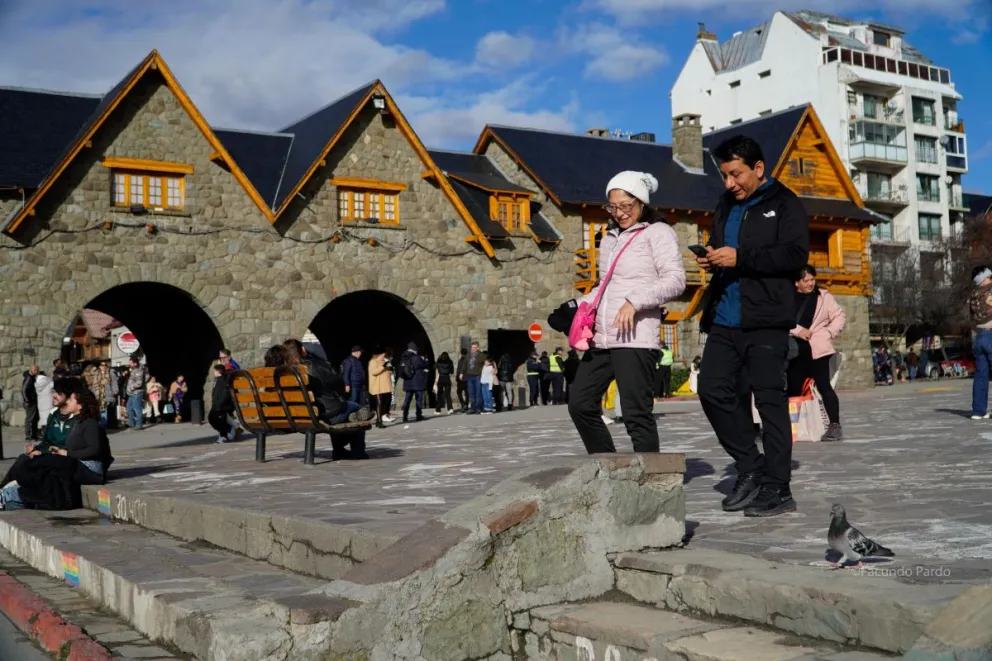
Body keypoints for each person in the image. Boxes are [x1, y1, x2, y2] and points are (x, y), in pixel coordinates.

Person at [695, 135, 809, 518]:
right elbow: (723, 246)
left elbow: (795, 255)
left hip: (766, 320)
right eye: (725, 176)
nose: (730, 184)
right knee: (711, 390)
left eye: (736, 174)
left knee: (769, 401)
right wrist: (713, 257)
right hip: (725, 318)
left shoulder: (785, 203)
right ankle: (750, 465)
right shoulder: (725, 204)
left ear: (758, 169)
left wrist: (741, 258)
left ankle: (778, 486)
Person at [567, 170, 686, 454]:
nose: (619, 213)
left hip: (635, 337)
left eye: (626, 206)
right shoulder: (609, 237)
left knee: (636, 414)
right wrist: (580, 305)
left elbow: (676, 280)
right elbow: (607, 284)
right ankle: (607, 467)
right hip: (603, 337)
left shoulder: (659, 233)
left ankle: (650, 484)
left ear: (641, 202)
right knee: (580, 404)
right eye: (613, 206)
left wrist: (635, 301)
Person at [1, 380, 113, 511]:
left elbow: (95, 449)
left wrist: (66, 454)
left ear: (80, 406)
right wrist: (57, 451)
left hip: (90, 469)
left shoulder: (90, 424)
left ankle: (14, 487)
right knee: (40, 466)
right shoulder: (77, 422)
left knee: (45, 463)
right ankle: (10, 490)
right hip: (76, 463)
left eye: (71, 400)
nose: (68, 402)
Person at [787, 265, 846, 441]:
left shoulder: (823, 296)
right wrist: (798, 331)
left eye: (812, 279)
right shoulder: (787, 298)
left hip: (818, 349)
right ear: (796, 282)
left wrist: (829, 332)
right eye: (806, 280)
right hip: (794, 350)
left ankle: (834, 425)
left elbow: (839, 316)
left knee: (824, 386)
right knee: (793, 388)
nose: (810, 283)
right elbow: (780, 319)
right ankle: (793, 426)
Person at [969, 265, 992, 420]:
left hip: (979, 337)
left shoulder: (973, 295)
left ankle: (978, 411)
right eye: (990, 277)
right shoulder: (990, 291)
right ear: (984, 280)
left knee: (981, 375)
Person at [208, 364, 238, 443]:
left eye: (215, 370)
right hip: (216, 404)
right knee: (211, 418)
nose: (214, 372)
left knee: (219, 419)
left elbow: (225, 394)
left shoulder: (223, 380)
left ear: (218, 371)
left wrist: (220, 404)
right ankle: (228, 429)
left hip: (222, 405)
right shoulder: (217, 379)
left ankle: (223, 436)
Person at [400, 343, 429, 422]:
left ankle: (404, 416)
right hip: (417, 382)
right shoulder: (417, 358)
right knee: (419, 399)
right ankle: (418, 415)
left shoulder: (404, 357)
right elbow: (425, 365)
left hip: (408, 382)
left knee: (407, 399)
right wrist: (425, 360)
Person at [369, 348, 395, 427]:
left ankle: (383, 416)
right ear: (379, 355)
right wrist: (383, 367)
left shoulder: (384, 362)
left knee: (385, 403)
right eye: (383, 354)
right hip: (378, 386)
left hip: (386, 387)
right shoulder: (373, 362)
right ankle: (379, 421)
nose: (384, 356)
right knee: (379, 403)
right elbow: (374, 372)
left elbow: (387, 373)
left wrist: (390, 369)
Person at [124, 356, 147, 430]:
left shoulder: (138, 371)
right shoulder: (134, 369)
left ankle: (139, 425)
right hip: (131, 393)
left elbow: (139, 383)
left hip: (136, 393)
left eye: (130, 362)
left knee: (137, 408)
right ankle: (131, 423)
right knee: (129, 408)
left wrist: (131, 387)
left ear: (135, 363)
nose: (129, 364)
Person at [464, 342, 484, 414]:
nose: (473, 349)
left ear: (478, 348)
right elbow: (465, 364)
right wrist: (461, 373)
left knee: (478, 392)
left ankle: (479, 408)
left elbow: (486, 364)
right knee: (471, 393)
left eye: (475, 347)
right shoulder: (468, 355)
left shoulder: (481, 355)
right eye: (472, 347)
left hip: (477, 375)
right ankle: (472, 408)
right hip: (470, 376)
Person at [22, 364, 40, 442]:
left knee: (34, 418)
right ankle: (28, 435)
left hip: (32, 401)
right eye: (36, 370)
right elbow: (24, 390)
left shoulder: (32, 377)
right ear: (33, 370)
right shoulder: (29, 378)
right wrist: (27, 400)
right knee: (29, 418)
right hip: (30, 401)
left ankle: (34, 435)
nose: (38, 372)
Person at [34, 370, 55, 440]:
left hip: (41, 404)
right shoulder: (49, 382)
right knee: (49, 419)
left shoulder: (37, 384)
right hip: (49, 403)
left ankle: (42, 434)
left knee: (43, 419)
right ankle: (48, 436)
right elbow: (54, 386)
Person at [455, 348, 469, 412]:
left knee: (459, 392)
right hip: (466, 378)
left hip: (462, 378)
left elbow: (459, 369)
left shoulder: (462, 359)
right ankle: (465, 404)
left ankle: (464, 404)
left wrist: (457, 377)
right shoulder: (467, 359)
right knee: (467, 393)